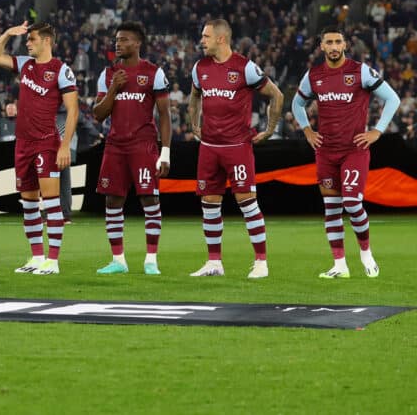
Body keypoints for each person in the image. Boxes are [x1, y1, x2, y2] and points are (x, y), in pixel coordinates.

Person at [291, 25, 400, 279]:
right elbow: (297, 104)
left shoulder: (360, 71)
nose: (333, 47)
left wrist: (377, 131)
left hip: (354, 150)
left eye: (337, 42)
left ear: (345, 45)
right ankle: (339, 265)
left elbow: (393, 99)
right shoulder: (313, 75)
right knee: (331, 208)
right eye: (328, 42)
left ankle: (366, 253)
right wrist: (307, 131)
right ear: (321, 46)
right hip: (326, 151)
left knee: (351, 203)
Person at [186, 18, 284, 279]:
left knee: (247, 202)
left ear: (221, 38)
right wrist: (194, 124)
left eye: (206, 36)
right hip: (209, 148)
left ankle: (261, 262)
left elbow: (277, 95)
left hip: (237, 147)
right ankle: (214, 262)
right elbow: (194, 96)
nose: (202, 41)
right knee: (209, 204)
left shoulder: (245, 67)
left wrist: (270, 128)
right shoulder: (200, 67)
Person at [0, 21, 77, 275]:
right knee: (28, 204)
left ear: (47, 41)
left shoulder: (61, 70)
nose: (27, 43)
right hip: (23, 144)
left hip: (46, 143)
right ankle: (37, 257)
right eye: (27, 39)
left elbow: (73, 110)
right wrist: (7, 33)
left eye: (32, 39)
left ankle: (53, 261)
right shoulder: (25, 64)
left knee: (51, 203)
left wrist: (65, 145)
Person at [92, 22, 172, 275]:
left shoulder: (153, 73)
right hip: (115, 145)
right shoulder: (108, 75)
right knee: (112, 200)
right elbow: (98, 114)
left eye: (124, 39)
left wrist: (165, 152)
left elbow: (165, 115)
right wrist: (113, 88)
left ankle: (151, 260)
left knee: (150, 199)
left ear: (137, 43)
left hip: (143, 145)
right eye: (117, 39)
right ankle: (118, 260)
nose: (118, 43)